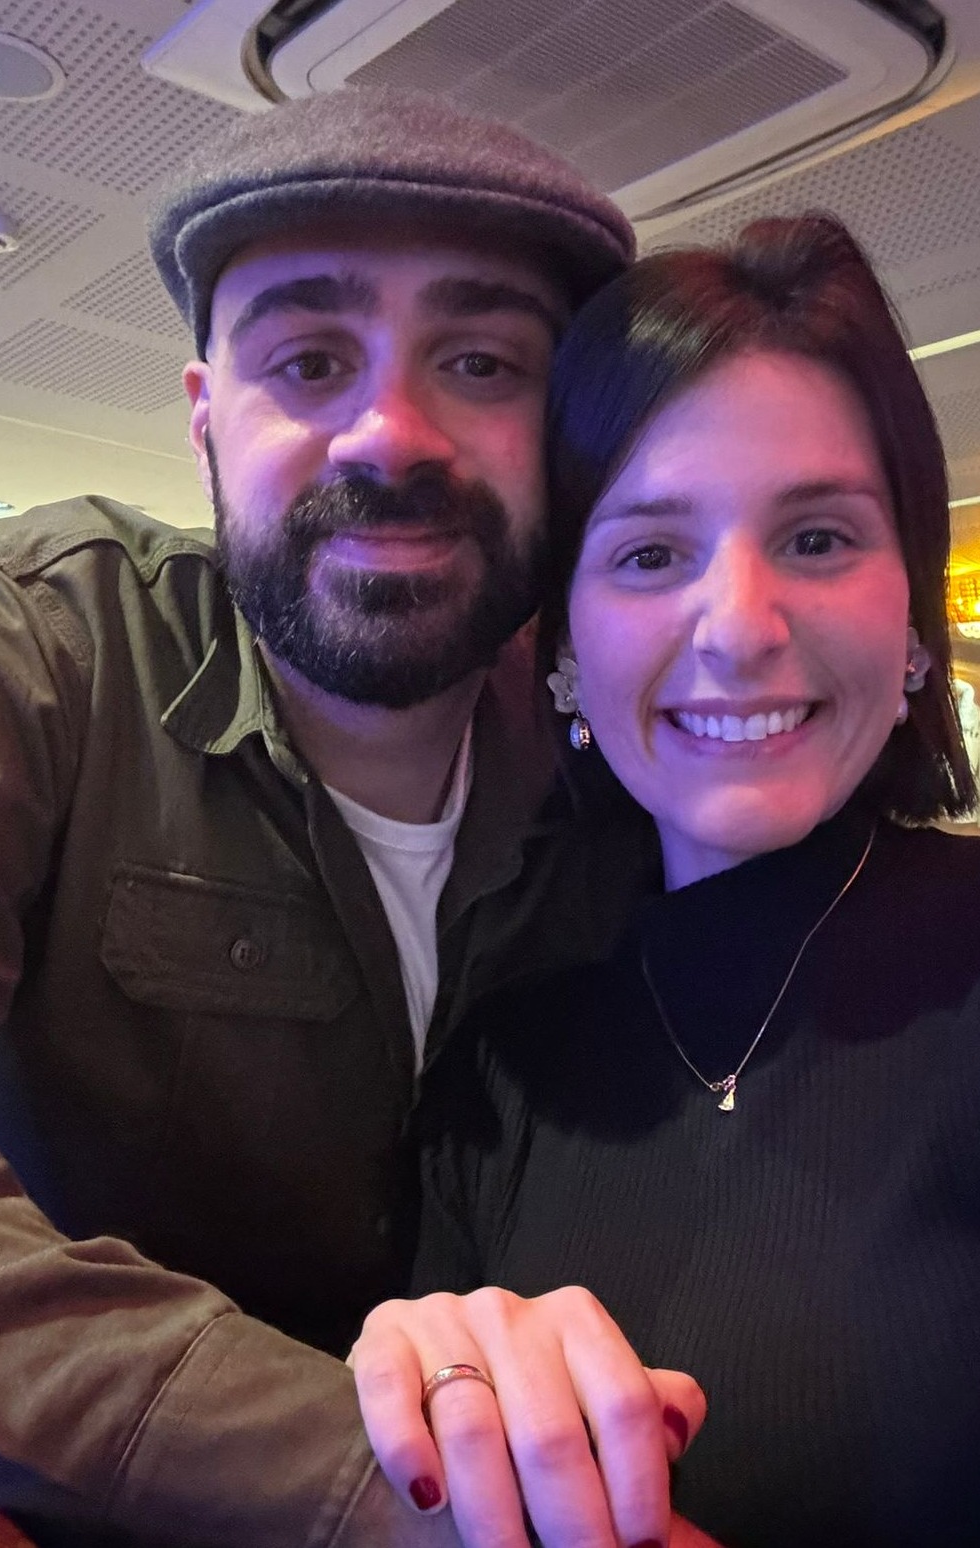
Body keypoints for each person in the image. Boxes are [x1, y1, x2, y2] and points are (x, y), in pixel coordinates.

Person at [0, 86, 703, 1548]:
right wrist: (389, 1490)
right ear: (204, 423)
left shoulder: (625, 736)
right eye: (308, 360)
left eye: (480, 363)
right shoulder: (33, 648)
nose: (390, 437)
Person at [351, 214, 980, 1548]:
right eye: (648, 553)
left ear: (915, 621)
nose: (741, 628)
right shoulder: (502, 1066)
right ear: (563, 654)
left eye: (819, 539)